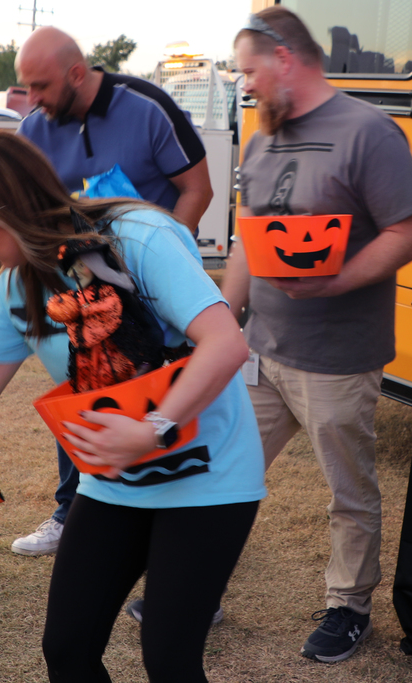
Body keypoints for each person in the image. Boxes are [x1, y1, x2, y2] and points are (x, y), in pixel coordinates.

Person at [0, 131, 264, 683]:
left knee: (168, 657)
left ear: (12, 209)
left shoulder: (137, 236)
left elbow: (226, 344)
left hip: (207, 477)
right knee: (68, 649)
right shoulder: (19, 287)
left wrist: (152, 430)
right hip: (113, 481)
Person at [0, 26, 214, 558]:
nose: (29, 100)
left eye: (38, 86)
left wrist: (164, 265)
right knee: (85, 394)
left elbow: (198, 188)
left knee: (159, 425)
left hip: (147, 299)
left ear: (76, 74)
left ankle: (181, 547)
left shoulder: (147, 109)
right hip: (67, 290)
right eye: (25, 87)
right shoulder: (34, 129)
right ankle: (74, 507)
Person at [222, 7, 412, 663]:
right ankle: (201, 584)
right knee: (226, 472)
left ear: (286, 58)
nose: (244, 85)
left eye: (249, 71)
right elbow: (249, 237)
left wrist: (336, 282)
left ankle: (348, 606)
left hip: (336, 358)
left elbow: (405, 230)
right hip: (262, 349)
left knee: (348, 492)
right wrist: (225, 319)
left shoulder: (369, 131)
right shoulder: (260, 136)